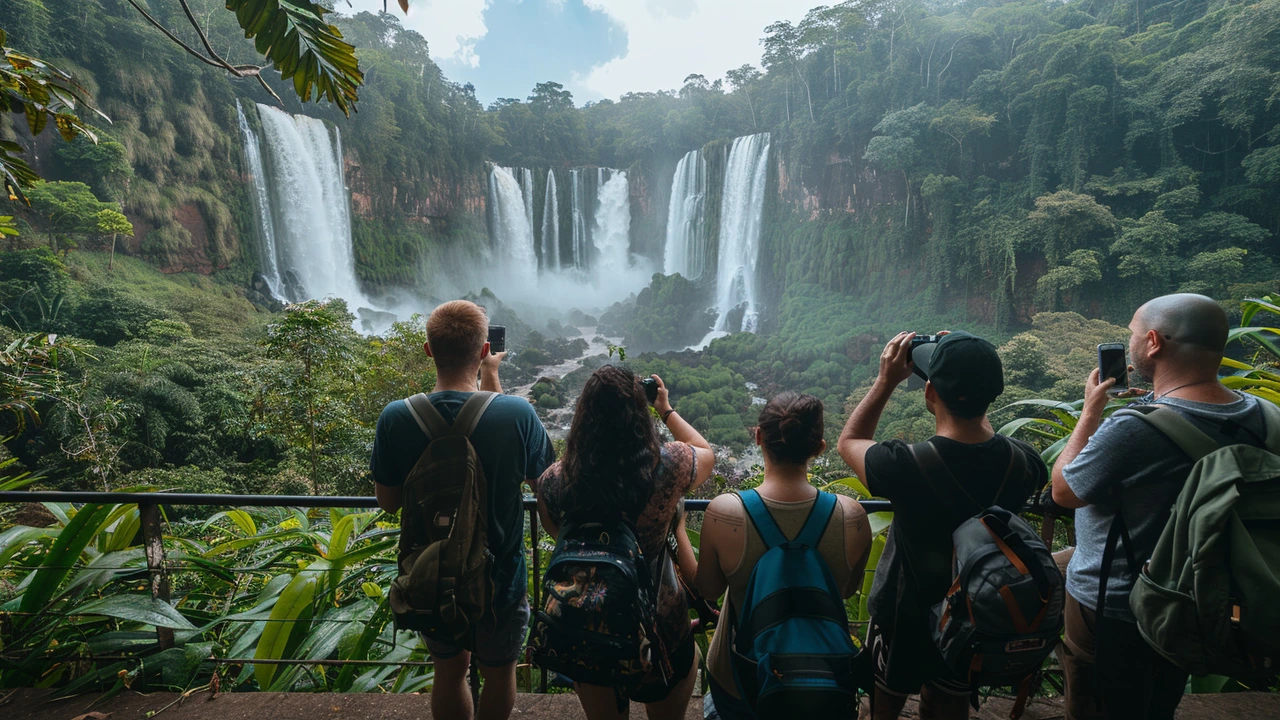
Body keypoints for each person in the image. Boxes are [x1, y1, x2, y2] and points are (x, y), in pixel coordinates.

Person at [1050, 293, 1269, 720]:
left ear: (1153, 342)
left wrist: (1090, 412)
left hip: (1120, 603)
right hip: (1206, 593)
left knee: (1100, 701)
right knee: (1160, 698)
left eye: (1132, 334)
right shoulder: (1264, 416)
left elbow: (1064, 490)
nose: (1129, 345)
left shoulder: (1133, 430)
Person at [838, 331, 1047, 720]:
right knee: (949, 707)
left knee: (884, 705)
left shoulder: (903, 465)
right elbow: (990, 445)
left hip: (903, 617)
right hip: (974, 618)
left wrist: (885, 381)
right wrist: (971, 364)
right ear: (994, 394)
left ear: (929, 392)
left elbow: (850, 440)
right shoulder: (1025, 464)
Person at [371, 300, 555, 720]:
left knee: (450, 671)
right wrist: (493, 377)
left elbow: (388, 501)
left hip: (433, 574)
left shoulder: (396, 417)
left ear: (428, 350)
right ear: (485, 348)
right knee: (499, 672)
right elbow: (542, 483)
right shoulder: (518, 413)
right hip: (500, 579)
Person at [537, 366, 716, 720]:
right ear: (638, 412)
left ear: (583, 415)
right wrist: (665, 409)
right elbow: (705, 452)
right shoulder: (669, 465)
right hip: (660, 627)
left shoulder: (553, 481)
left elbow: (560, 536)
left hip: (590, 628)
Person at [697, 392, 873, 720]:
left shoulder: (724, 512)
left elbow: (708, 589)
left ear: (759, 436)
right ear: (819, 447)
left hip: (743, 676)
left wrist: (677, 523)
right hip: (824, 674)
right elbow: (846, 590)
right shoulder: (853, 517)